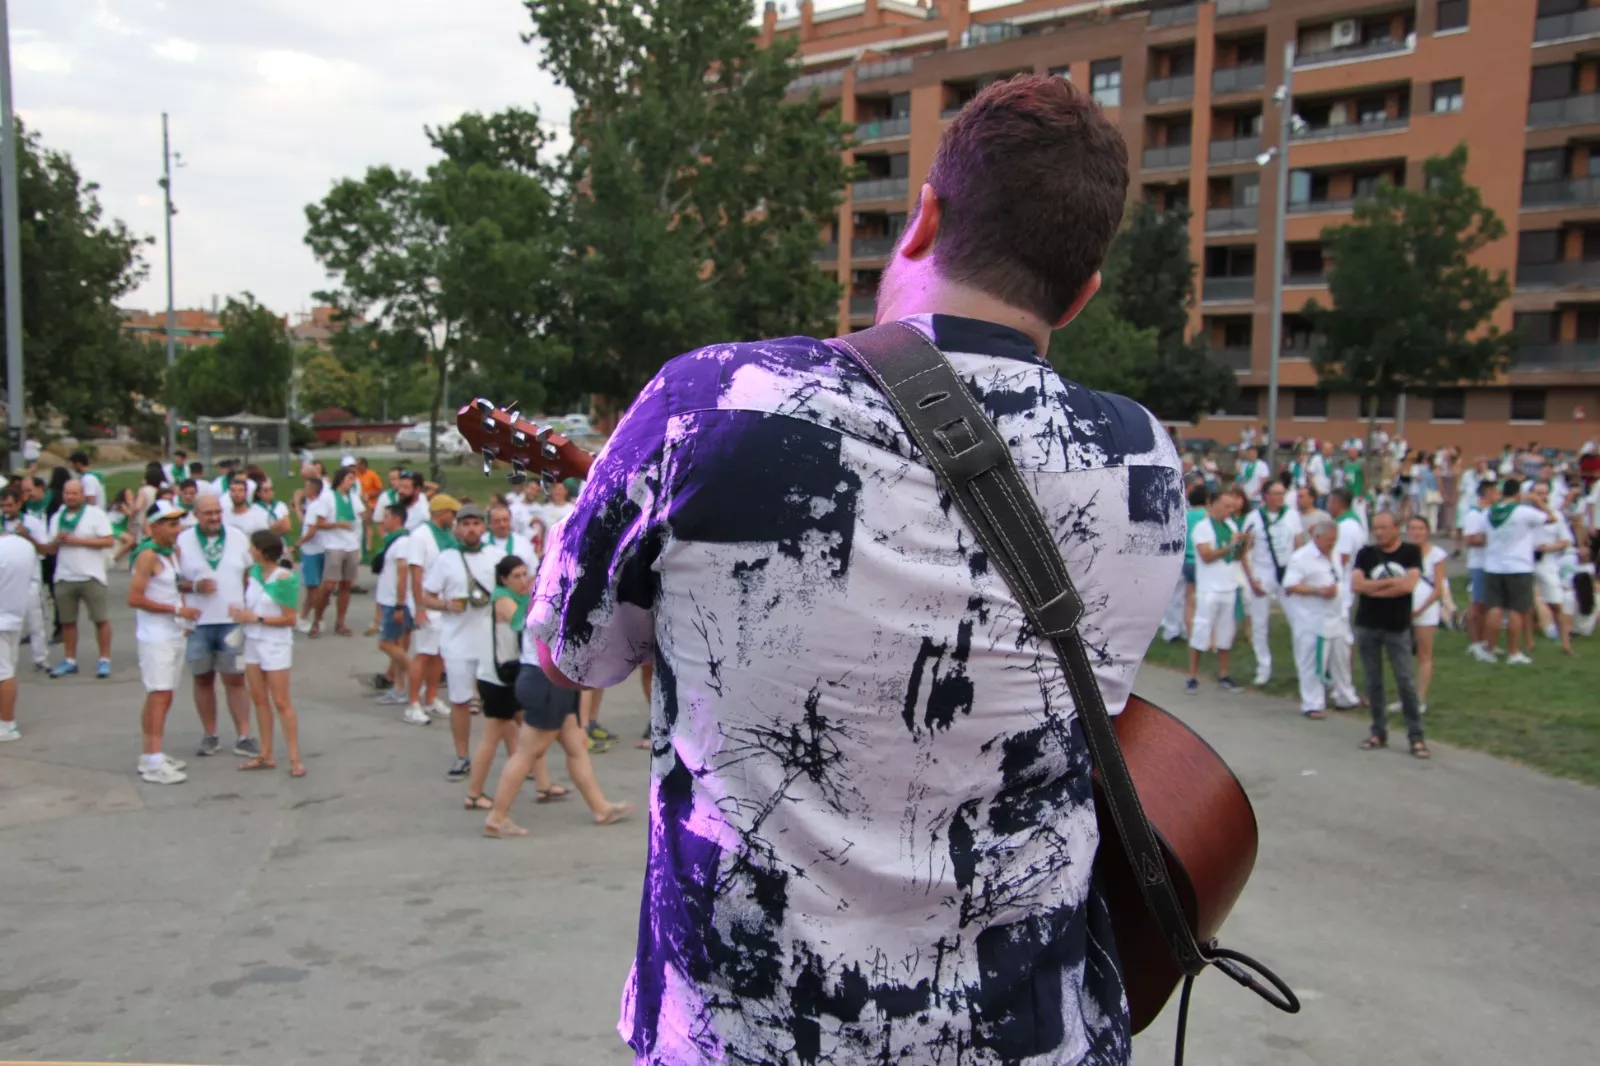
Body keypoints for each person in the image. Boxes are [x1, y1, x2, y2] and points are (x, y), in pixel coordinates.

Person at [523, 74, 1178, 1061]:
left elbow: (572, 657)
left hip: (742, 1033)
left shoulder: (709, 401)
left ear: (923, 217)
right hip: (1023, 1036)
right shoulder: (1141, 460)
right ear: (1082, 293)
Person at [483, 572, 634, 837]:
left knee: (575, 745)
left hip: (548, 679)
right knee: (528, 751)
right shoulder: (555, 600)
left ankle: (601, 808)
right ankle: (497, 817)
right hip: (547, 680)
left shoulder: (548, 594)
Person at [462, 554, 556, 810]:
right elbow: (525, 623)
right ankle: (473, 794)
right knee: (492, 740)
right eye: (517, 576)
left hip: (507, 676)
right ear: (503, 579)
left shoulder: (516, 596)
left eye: (525, 574)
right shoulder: (502, 599)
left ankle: (543, 785)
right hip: (496, 680)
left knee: (531, 732)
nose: (523, 580)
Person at [420, 502, 505, 779]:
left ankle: (519, 758)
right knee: (459, 701)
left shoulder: (497, 556)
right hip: (456, 642)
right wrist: (445, 605)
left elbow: (514, 589)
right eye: (466, 524)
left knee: (504, 702)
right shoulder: (446, 559)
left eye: (476, 523)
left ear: (484, 527)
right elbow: (426, 596)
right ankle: (462, 756)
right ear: (457, 527)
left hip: (492, 643)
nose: (471, 529)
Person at [175, 492, 259, 760]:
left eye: (217, 512)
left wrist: (249, 605)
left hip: (231, 622)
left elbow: (251, 574)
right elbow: (173, 581)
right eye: (208, 513)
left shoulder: (236, 537)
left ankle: (244, 736)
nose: (214, 518)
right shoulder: (182, 541)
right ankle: (210, 734)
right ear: (196, 514)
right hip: (198, 621)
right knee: (203, 679)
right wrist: (195, 586)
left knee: (235, 678)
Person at [128, 500, 201, 784]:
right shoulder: (147, 555)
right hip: (155, 636)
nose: (177, 529)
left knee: (164, 694)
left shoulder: (170, 553)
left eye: (178, 523)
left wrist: (183, 614)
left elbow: (173, 588)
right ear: (154, 526)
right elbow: (134, 598)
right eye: (171, 525)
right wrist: (176, 611)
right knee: (159, 694)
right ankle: (154, 759)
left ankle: (151, 755)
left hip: (172, 632)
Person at [1352, 512, 1427, 758]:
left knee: (1405, 680)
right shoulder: (1365, 554)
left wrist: (1374, 589)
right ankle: (1378, 731)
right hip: (1368, 624)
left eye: (1384, 528)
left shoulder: (1410, 553)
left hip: (1397, 626)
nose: (1379, 532)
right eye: (1376, 528)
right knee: (1374, 682)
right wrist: (1390, 586)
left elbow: (1408, 586)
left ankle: (1416, 735)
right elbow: (1358, 585)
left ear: (1396, 528)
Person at [229, 530, 303, 776]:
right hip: (253, 641)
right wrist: (241, 614)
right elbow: (250, 605)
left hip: (275, 644)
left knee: (281, 701)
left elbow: (290, 619)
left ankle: (294, 758)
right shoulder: (253, 574)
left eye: (252, 547)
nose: (250, 551)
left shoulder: (284, 578)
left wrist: (256, 618)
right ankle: (265, 753)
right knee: (259, 699)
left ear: (261, 550)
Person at [43, 479, 116, 679]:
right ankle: (70, 660)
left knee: (100, 619)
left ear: (82, 495)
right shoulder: (58, 516)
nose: (70, 497)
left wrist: (78, 541)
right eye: (67, 493)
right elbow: (49, 549)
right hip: (65, 575)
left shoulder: (95, 514)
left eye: (74, 493)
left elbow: (108, 540)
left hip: (91, 574)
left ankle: (104, 659)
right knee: (67, 622)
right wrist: (56, 541)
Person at [1481, 477, 1557, 664]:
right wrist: (1538, 501)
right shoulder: (1524, 511)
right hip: (1518, 566)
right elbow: (1552, 518)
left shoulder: (1489, 512)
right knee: (1517, 609)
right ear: (1518, 493)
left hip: (1493, 565)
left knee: (1494, 608)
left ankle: (1489, 649)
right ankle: (1513, 652)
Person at [1240, 481, 1303, 686]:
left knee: (1299, 621)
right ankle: (1263, 667)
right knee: (1260, 623)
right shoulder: (1254, 518)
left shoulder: (1292, 515)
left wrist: (1297, 573)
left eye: (1282, 493)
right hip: (1262, 572)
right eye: (1276, 493)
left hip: (1287, 573)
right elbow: (1244, 551)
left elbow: (1298, 545)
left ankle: (1304, 667)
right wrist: (1251, 579)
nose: (1280, 497)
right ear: (1266, 496)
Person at [1280, 520, 1342, 720]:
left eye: (1334, 540)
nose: (1332, 544)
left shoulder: (1334, 555)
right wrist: (1318, 591)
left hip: (1333, 618)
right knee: (1311, 662)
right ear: (1317, 537)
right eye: (1328, 540)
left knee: (1332, 661)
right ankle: (1311, 703)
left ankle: (1342, 696)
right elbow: (1290, 586)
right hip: (1311, 620)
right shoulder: (1301, 558)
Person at [404, 494, 457, 726]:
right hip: (426, 603)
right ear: (441, 513)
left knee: (438, 655)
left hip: (442, 603)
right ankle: (413, 703)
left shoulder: (445, 535)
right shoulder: (420, 536)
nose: (454, 517)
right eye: (451, 513)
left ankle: (431, 698)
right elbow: (415, 574)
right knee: (424, 654)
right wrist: (419, 607)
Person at [1187, 489, 1246, 692]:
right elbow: (1207, 556)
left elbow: (1236, 556)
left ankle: (1224, 674)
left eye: (1232, 506)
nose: (1230, 510)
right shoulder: (1202, 527)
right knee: (1202, 629)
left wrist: (1243, 544)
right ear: (1213, 505)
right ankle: (1192, 676)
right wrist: (1230, 546)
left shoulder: (1230, 525)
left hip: (1227, 586)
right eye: (1226, 506)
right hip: (1209, 588)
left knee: (1225, 632)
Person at [0, 506, 40, 741]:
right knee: (7, 669)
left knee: (4, 673)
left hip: (3, 618)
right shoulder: (24, 547)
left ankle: (7, 724)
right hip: (14, 614)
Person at [0, 486, 49, 673]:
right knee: (5, 623)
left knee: (34, 620)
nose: (6, 510)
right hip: (5, 581)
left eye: (10, 505)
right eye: (3, 506)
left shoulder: (32, 522)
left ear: (19, 503)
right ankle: (7, 662)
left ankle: (40, 657)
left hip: (30, 578)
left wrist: (26, 536)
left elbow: (45, 549)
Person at [311, 466, 365, 637]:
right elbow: (319, 523)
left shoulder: (353, 497)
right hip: (334, 545)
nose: (352, 482)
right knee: (328, 586)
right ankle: (316, 620)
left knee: (346, 585)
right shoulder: (327, 497)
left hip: (351, 545)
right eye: (349, 478)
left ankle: (340, 623)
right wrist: (337, 524)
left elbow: (363, 516)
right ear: (341, 479)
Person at [1325, 487, 1366, 709]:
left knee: (1342, 639)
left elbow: (1339, 559)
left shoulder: (1346, 527)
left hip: (1342, 589)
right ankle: (1339, 682)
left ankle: (1343, 685)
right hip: (1344, 587)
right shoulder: (1350, 523)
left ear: (1336, 502)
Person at [371, 503, 414, 708]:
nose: (383, 520)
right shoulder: (393, 541)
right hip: (388, 600)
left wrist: (399, 604)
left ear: (397, 519)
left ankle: (415, 673)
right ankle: (399, 688)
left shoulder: (403, 543)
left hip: (395, 601)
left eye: (386, 516)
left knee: (385, 643)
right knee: (395, 644)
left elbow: (403, 574)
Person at [1530, 480, 1577, 656]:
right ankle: (1528, 644)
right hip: (1527, 562)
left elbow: (1566, 540)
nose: (1541, 497)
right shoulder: (1526, 514)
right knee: (1525, 606)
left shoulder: (1556, 516)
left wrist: (1550, 548)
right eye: (1538, 493)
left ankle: (1565, 643)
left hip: (1547, 563)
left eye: (1544, 493)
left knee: (1556, 604)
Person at [1406, 516, 1448, 713]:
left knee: (1424, 653)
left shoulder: (1436, 555)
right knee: (1403, 654)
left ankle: (1420, 698)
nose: (1416, 532)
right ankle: (1406, 696)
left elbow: (1438, 589)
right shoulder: (1403, 553)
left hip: (1426, 610)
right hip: (1405, 609)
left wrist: (1419, 610)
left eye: (1420, 529)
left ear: (1427, 531)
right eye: (1413, 529)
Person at [1462, 479, 1496, 660]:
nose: (1498, 496)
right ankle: (1475, 643)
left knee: (1486, 605)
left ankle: (1484, 641)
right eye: (1495, 492)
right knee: (1477, 605)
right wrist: (1494, 540)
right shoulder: (1474, 514)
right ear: (1488, 493)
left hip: (1491, 564)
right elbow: (1470, 540)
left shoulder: (1490, 513)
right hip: (1478, 564)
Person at [295, 476, 330, 636]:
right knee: (316, 587)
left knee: (312, 588)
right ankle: (318, 617)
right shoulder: (317, 505)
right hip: (320, 549)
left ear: (313, 490)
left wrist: (297, 543)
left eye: (307, 487)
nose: (304, 489)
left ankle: (306, 618)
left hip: (311, 551)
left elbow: (311, 530)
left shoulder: (315, 506)